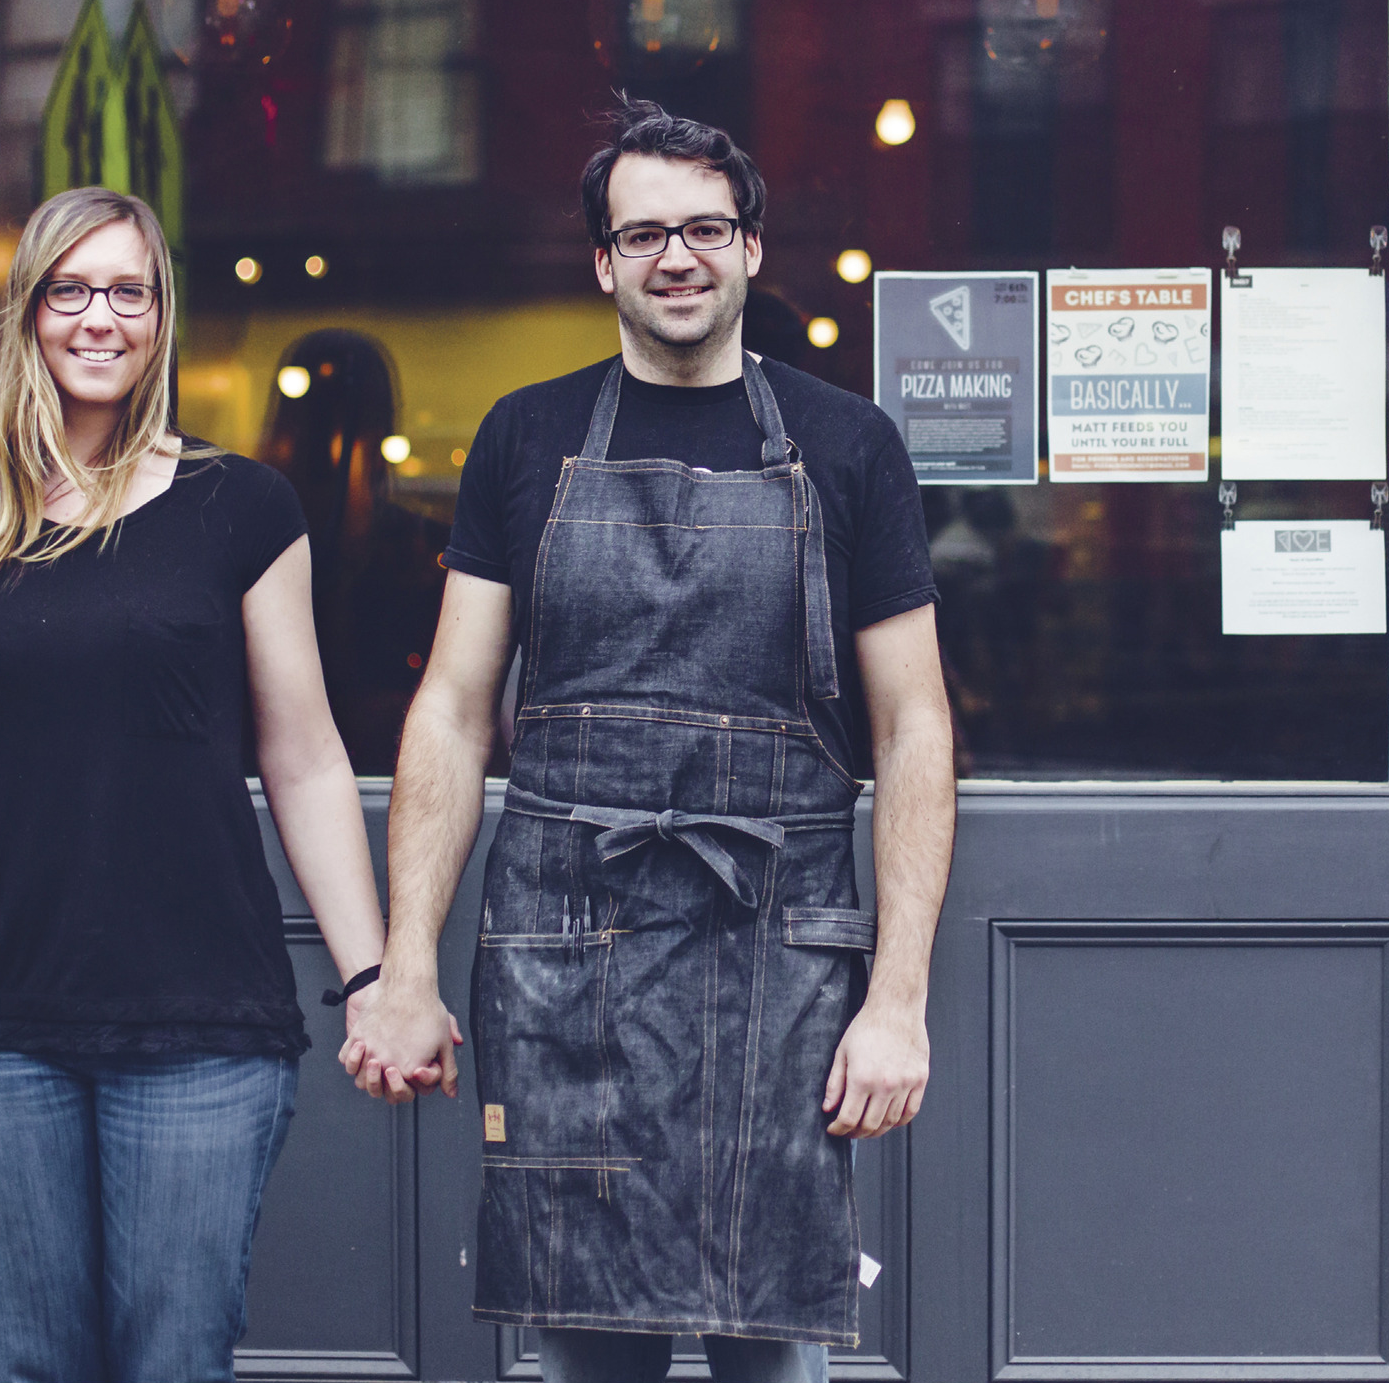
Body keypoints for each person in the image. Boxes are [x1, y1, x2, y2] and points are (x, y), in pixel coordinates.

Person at [344, 98, 955, 1382]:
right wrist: (405, 965)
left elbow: (912, 731)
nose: (675, 256)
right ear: (603, 261)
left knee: (774, 1347)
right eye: (643, 234)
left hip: (782, 952)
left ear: (749, 247)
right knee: (577, 1343)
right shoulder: (525, 433)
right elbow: (454, 710)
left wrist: (896, 1000)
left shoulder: (850, 445)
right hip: (569, 948)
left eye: (703, 228)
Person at [0, 186, 388, 1383]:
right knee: (37, 1368)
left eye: (128, 291)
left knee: (172, 1366)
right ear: (31, 311)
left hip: (199, 1020)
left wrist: (371, 976)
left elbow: (301, 756)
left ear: (160, 316)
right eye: (70, 290)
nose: (100, 318)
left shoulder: (240, 507)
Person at [256, 328, 449, 771]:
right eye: (319, 414)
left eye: (355, 417)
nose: (332, 435)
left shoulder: (418, 548)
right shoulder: (253, 538)